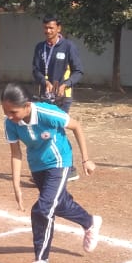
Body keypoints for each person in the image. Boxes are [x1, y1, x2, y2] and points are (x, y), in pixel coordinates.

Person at [1, 82, 101, 263]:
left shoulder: (48, 113)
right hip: (37, 166)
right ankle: (89, 221)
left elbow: (76, 126)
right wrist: (16, 186)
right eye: (6, 112)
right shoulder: (10, 124)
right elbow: (16, 154)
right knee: (58, 203)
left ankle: (41, 261)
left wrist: (85, 159)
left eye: (13, 111)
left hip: (59, 162)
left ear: (27, 105)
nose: (10, 116)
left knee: (43, 208)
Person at [31, 15, 84, 181]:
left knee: (56, 129)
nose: (48, 31)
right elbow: (35, 70)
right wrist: (44, 81)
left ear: (58, 29)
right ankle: (53, 168)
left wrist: (65, 84)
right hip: (44, 96)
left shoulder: (68, 46)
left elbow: (79, 71)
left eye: (51, 28)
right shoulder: (40, 47)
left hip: (63, 97)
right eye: (45, 28)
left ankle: (69, 168)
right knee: (46, 130)